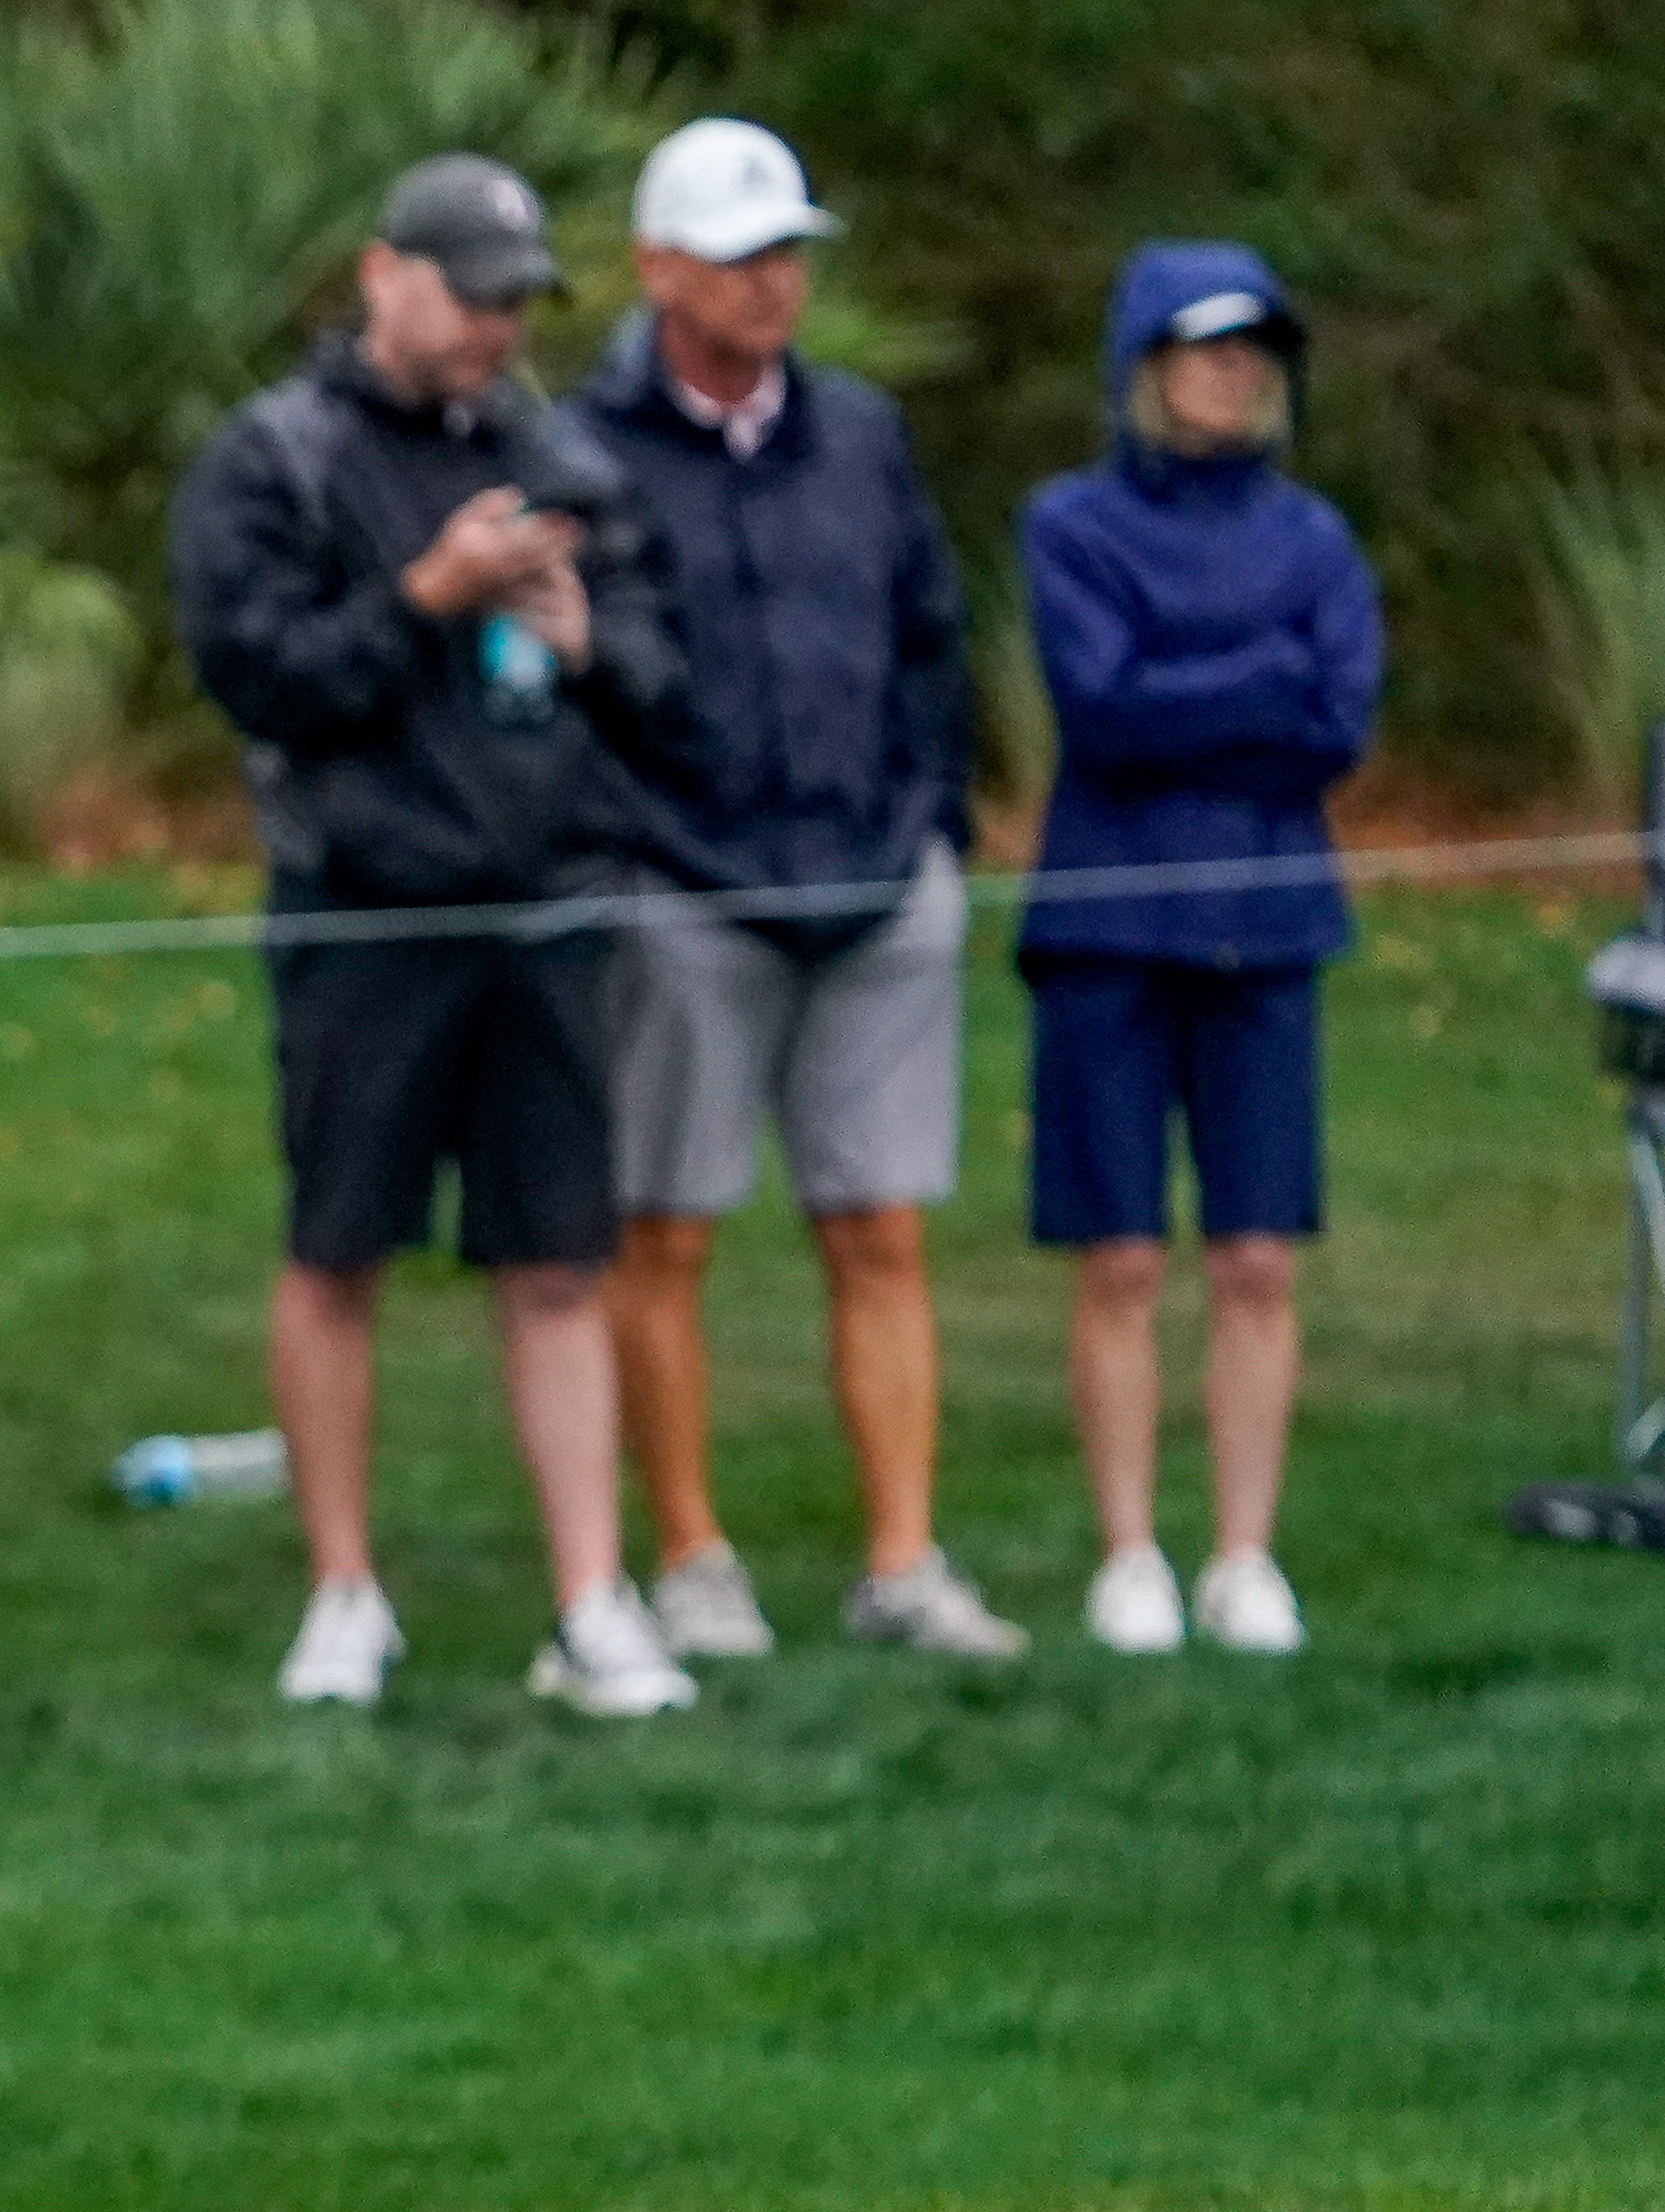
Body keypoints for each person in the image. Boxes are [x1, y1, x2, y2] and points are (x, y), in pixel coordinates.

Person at [166, 152, 700, 1720]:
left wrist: (588, 640)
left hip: (543, 917)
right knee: (337, 1255)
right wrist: (428, 594)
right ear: (382, 276)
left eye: (517, 303)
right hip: (364, 913)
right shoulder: (276, 460)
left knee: (556, 1261)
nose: (493, 329)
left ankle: (592, 1601)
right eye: (471, 297)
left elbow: (663, 690)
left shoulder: (564, 458)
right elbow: (264, 680)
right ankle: (344, 1591)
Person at [574, 119, 1024, 1666]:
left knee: (878, 1230)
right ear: (657, 270)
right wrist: (650, 846)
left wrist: (926, 830)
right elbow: (588, 685)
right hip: (685, 890)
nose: (775, 282)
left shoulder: (861, 431)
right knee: (666, 1238)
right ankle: (691, 1559)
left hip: (873, 882)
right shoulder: (586, 446)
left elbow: (926, 641)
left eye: (788, 253)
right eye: (742, 254)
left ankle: (901, 1563)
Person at [1017, 244, 1378, 1656]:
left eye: (1252, 351)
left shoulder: (1316, 540)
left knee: (1254, 1259)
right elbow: (1101, 710)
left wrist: (1192, 686)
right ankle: (1127, 1555)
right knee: (1116, 1257)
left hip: (1269, 920)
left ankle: (1240, 1553)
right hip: (1107, 922)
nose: (1234, 372)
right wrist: (1256, 679)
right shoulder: (1069, 524)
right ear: (1143, 367)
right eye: (1205, 347)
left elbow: (1332, 722)